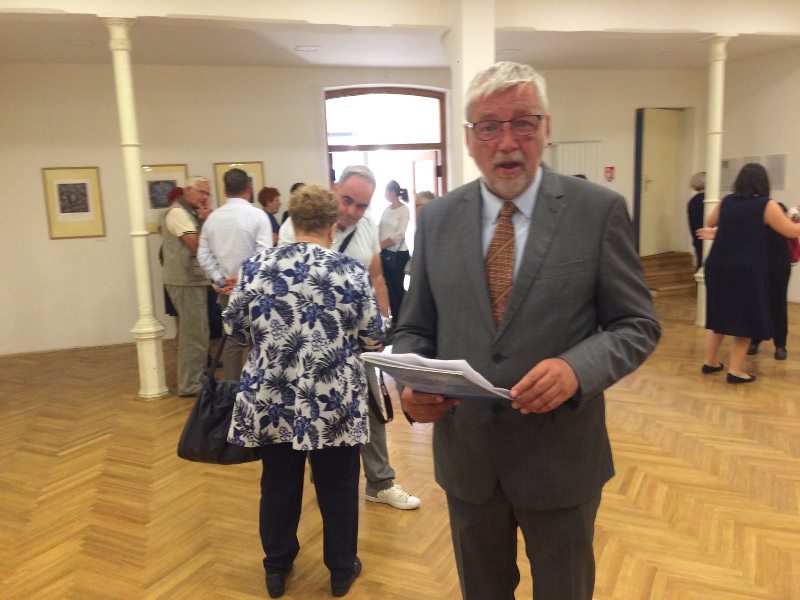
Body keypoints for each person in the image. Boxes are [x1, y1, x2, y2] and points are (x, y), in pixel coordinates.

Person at [391, 61, 661, 600]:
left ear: (547, 128)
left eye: (523, 122)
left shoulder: (597, 212)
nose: (507, 142)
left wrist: (576, 368)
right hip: (468, 461)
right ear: (470, 138)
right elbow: (415, 326)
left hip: (560, 460)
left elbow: (637, 324)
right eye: (490, 126)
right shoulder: (439, 219)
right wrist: (411, 386)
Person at [223, 184, 385, 598]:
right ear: (332, 226)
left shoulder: (256, 267)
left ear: (292, 222)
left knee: (278, 482)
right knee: (338, 485)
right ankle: (341, 570)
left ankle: (276, 567)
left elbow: (234, 328)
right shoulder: (349, 271)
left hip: (273, 396)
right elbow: (372, 335)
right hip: (333, 399)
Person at [280, 166, 420, 511]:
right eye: (347, 200)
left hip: (358, 339)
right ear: (334, 189)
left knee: (372, 406)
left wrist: (384, 321)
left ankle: (380, 482)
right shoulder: (294, 227)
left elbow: (376, 277)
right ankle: (324, 481)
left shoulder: (367, 226)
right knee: (313, 408)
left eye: (361, 205)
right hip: (310, 345)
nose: (352, 211)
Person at [699, 163, 800, 382]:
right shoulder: (766, 204)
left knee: (719, 315)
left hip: (717, 266)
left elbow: (710, 221)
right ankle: (735, 371)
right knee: (746, 319)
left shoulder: (727, 201)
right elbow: (790, 231)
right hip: (744, 269)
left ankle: (709, 362)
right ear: (763, 182)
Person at [197, 168, 273, 381]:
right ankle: (260, 389)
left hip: (226, 290)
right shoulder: (258, 216)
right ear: (249, 188)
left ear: (225, 190)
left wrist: (219, 278)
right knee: (260, 341)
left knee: (232, 341)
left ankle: (231, 392)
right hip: (255, 291)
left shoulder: (213, 218)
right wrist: (243, 278)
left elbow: (203, 254)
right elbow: (264, 255)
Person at [161, 176, 213, 396]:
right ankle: (190, 384)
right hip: (184, 281)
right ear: (188, 191)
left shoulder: (189, 212)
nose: (205, 197)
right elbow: (196, 246)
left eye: (207, 194)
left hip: (192, 280)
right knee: (193, 334)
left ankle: (196, 379)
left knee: (199, 332)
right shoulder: (178, 213)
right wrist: (206, 220)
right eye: (201, 192)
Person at [749, 201, 795, 360]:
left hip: (779, 265)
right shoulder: (757, 217)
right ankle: (755, 341)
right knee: (758, 303)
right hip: (759, 264)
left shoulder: (783, 217)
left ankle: (780, 345)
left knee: (778, 303)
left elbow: (792, 232)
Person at [378, 180, 411, 325]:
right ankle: (395, 321)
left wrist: (380, 245)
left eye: (386, 191)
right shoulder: (387, 209)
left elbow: (399, 235)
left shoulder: (404, 210)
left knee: (398, 287)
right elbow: (380, 228)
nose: (385, 194)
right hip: (384, 253)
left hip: (398, 255)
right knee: (389, 288)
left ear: (392, 193)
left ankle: (404, 319)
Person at [687, 171, 706, 269]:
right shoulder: (707, 200)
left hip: (696, 235)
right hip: (706, 235)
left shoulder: (692, 201)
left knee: (700, 259)